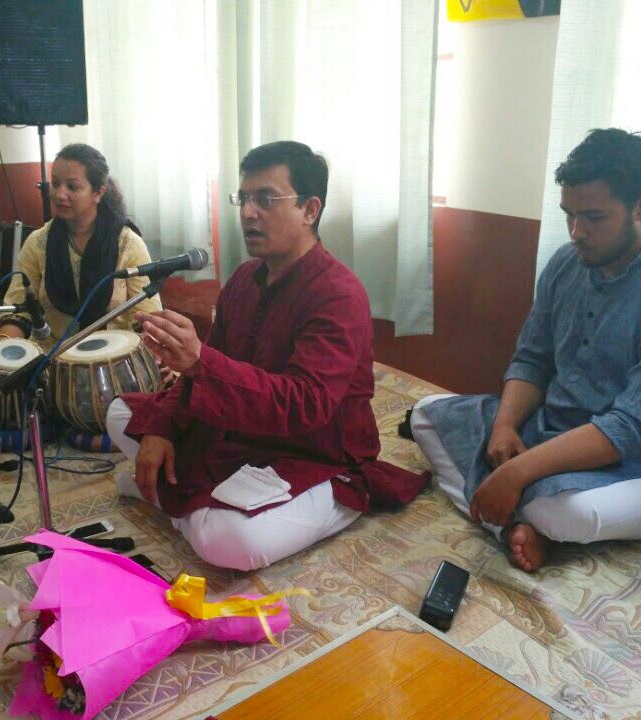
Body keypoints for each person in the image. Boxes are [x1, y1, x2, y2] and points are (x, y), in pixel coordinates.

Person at [410, 128, 641, 573]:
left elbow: (632, 428)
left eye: (594, 218)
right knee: (426, 415)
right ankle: (516, 526)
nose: (577, 232)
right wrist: (505, 426)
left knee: (567, 512)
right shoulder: (567, 262)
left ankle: (528, 518)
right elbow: (533, 360)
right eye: (569, 215)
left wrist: (517, 472)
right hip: (550, 432)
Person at [106, 141, 426, 572]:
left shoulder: (339, 295)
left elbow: (304, 405)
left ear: (310, 209)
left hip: (315, 453)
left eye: (266, 199)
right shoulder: (244, 279)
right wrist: (162, 428)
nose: (248, 213)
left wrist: (200, 363)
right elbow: (203, 374)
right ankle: (188, 503)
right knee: (120, 414)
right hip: (241, 432)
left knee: (230, 542)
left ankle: (178, 503)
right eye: (243, 198)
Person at [0, 143, 161, 350]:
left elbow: (147, 316)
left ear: (98, 193)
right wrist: (1, 348)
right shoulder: (37, 243)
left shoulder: (127, 243)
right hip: (53, 358)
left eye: (72, 187)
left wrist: (153, 346)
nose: (59, 194)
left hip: (114, 358)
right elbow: (18, 311)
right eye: (56, 184)